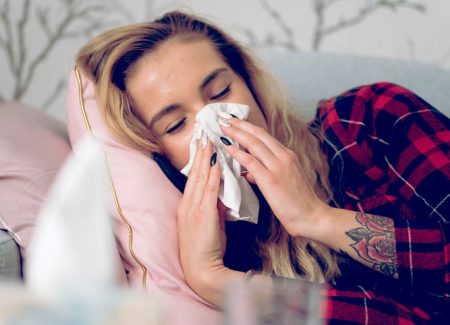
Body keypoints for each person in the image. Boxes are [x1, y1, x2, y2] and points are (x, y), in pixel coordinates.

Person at [75, 11, 450, 323]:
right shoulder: (217, 248)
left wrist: (317, 218)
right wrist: (215, 282)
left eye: (221, 92)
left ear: (250, 83)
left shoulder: (369, 120)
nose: (215, 122)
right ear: (158, 154)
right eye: (175, 125)